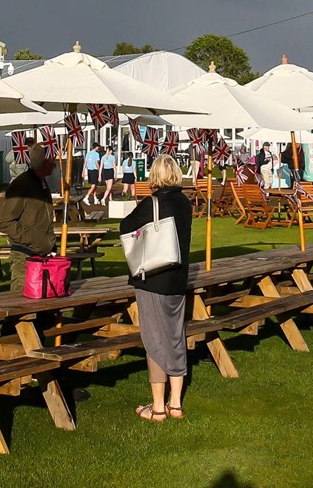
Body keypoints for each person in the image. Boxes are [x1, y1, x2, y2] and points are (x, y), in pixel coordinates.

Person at [118, 153, 194, 422]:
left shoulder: (152, 203)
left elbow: (125, 226)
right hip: (177, 280)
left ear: (155, 175)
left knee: (154, 340)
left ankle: (158, 406)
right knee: (175, 336)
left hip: (153, 278)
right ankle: (176, 403)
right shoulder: (185, 203)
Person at [0, 145, 59, 279]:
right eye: (51, 162)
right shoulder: (22, 185)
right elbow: (4, 223)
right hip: (25, 255)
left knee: (46, 295)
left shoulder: (41, 183)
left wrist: (48, 242)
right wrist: (34, 240)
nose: (54, 165)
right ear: (42, 163)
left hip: (43, 254)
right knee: (21, 297)